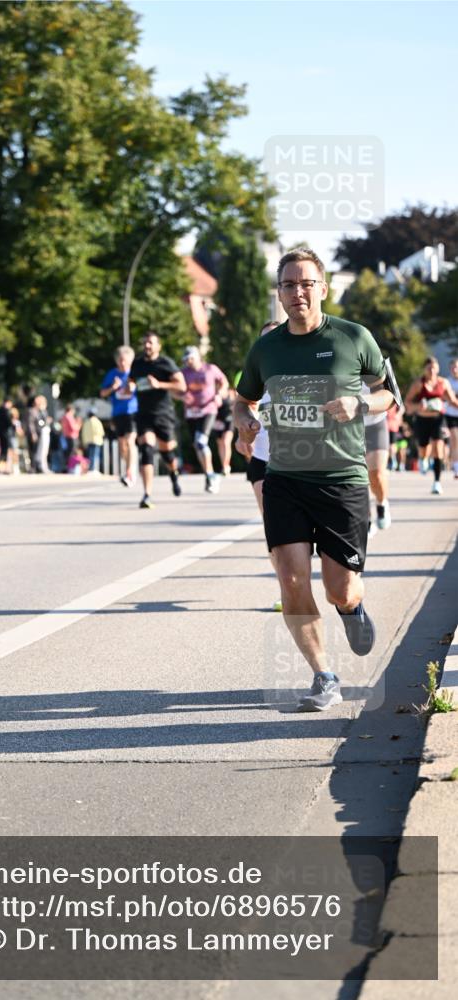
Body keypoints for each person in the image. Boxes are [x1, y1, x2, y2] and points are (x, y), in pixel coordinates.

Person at [235, 247, 394, 712]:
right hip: (285, 477)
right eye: (289, 284)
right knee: (290, 577)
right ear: (279, 293)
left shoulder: (353, 337)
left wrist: (360, 405)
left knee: (339, 588)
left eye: (307, 283)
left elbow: (388, 395)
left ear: (323, 288)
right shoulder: (266, 347)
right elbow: (242, 399)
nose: (298, 291)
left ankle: (351, 608)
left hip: (342, 478)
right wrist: (244, 420)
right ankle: (324, 675)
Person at [235, 320, 284, 612]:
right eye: (264, 340)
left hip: (298, 460)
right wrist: (242, 440)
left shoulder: (297, 372)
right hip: (261, 459)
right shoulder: (254, 374)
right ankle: (286, 587)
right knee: (272, 523)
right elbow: (239, 412)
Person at [128, 332, 186, 509]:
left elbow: (182, 386)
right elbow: (131, 381)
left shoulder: (166, 363)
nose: (147, 346)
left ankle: (174, 473)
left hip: (163, 414)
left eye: (151, 343)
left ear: (158, 346)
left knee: (167, 452)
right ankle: (147, 494)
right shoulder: (137, 364)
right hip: (143, 414)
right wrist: (129, 386)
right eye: (145, 343)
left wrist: (159, 384)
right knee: (146, 448)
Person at [404, 356, 458, 494]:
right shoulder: (418, 384)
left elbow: (452, 400)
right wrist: (418, 406)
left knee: (439, 448)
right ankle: (423, 458)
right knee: (423, 448)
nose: (432, 371)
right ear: (425, 369)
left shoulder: (443, 382)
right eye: (429, 368)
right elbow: (408, 403)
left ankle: (437, 482)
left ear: (438, 368)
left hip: (438, 419)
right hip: (422, 420)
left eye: (434, 368)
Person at [180, 346, 228, 494]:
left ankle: (211, 475)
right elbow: (174, 390)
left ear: (198, 357)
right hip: (191, 412)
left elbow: (224, 382)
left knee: (201, 441)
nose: (189, 361)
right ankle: (209, 474)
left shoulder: (210, 369)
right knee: (197, 445)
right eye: (186, 359)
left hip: (208, 409)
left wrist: (220, 394)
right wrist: (181, 396)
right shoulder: (183, 373)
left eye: (191, 358)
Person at [100, 345, 138, 486]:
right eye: (120, 360)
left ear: (130, 360)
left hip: (132, 412)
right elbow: (102, 393)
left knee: (130, 441)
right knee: (122, 447)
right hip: (117, 413)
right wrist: (113, 388)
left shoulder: (134, 374)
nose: (122, 363)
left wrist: (135, 388)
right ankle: (130, 465)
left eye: (125, 360)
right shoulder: (112, 374)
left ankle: (130, 472)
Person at [363, 382, 392, 534]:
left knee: (377, 475)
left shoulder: (373, 363)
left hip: (376, 425)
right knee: (359, 479)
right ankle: (366, 520)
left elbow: (392, 396)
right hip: (350, 426)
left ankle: (381, 503)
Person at [445, 357, 458, 479]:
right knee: (454, 439)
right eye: (453, 367)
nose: (455, 369)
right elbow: (447, 399)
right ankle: (456, 468)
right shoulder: (447, 382)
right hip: (451, 415)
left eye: (456, 367)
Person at [81, 408, 105, 473]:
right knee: (95, 455)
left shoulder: (86, 422)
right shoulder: (97, 421)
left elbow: (83, 433)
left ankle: (90, 468)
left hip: (88, 441)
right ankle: (93, 469)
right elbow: (101, 432)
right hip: (96, 441)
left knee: (90, 455)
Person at [0, 396, 14, 473]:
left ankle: (1, 467)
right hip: (6, 433)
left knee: (2, 450)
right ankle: (5, 468)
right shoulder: (6, 411)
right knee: (5, 450)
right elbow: (9, 422)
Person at [60, 404, 82, 470]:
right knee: (71, 452)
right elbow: (74, 428)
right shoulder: (69, 417)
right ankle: (70, 467)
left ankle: (67, 467)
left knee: (68, 452)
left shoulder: (64, 417)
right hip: (72, 437)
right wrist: (79, 424)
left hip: (66, 436)